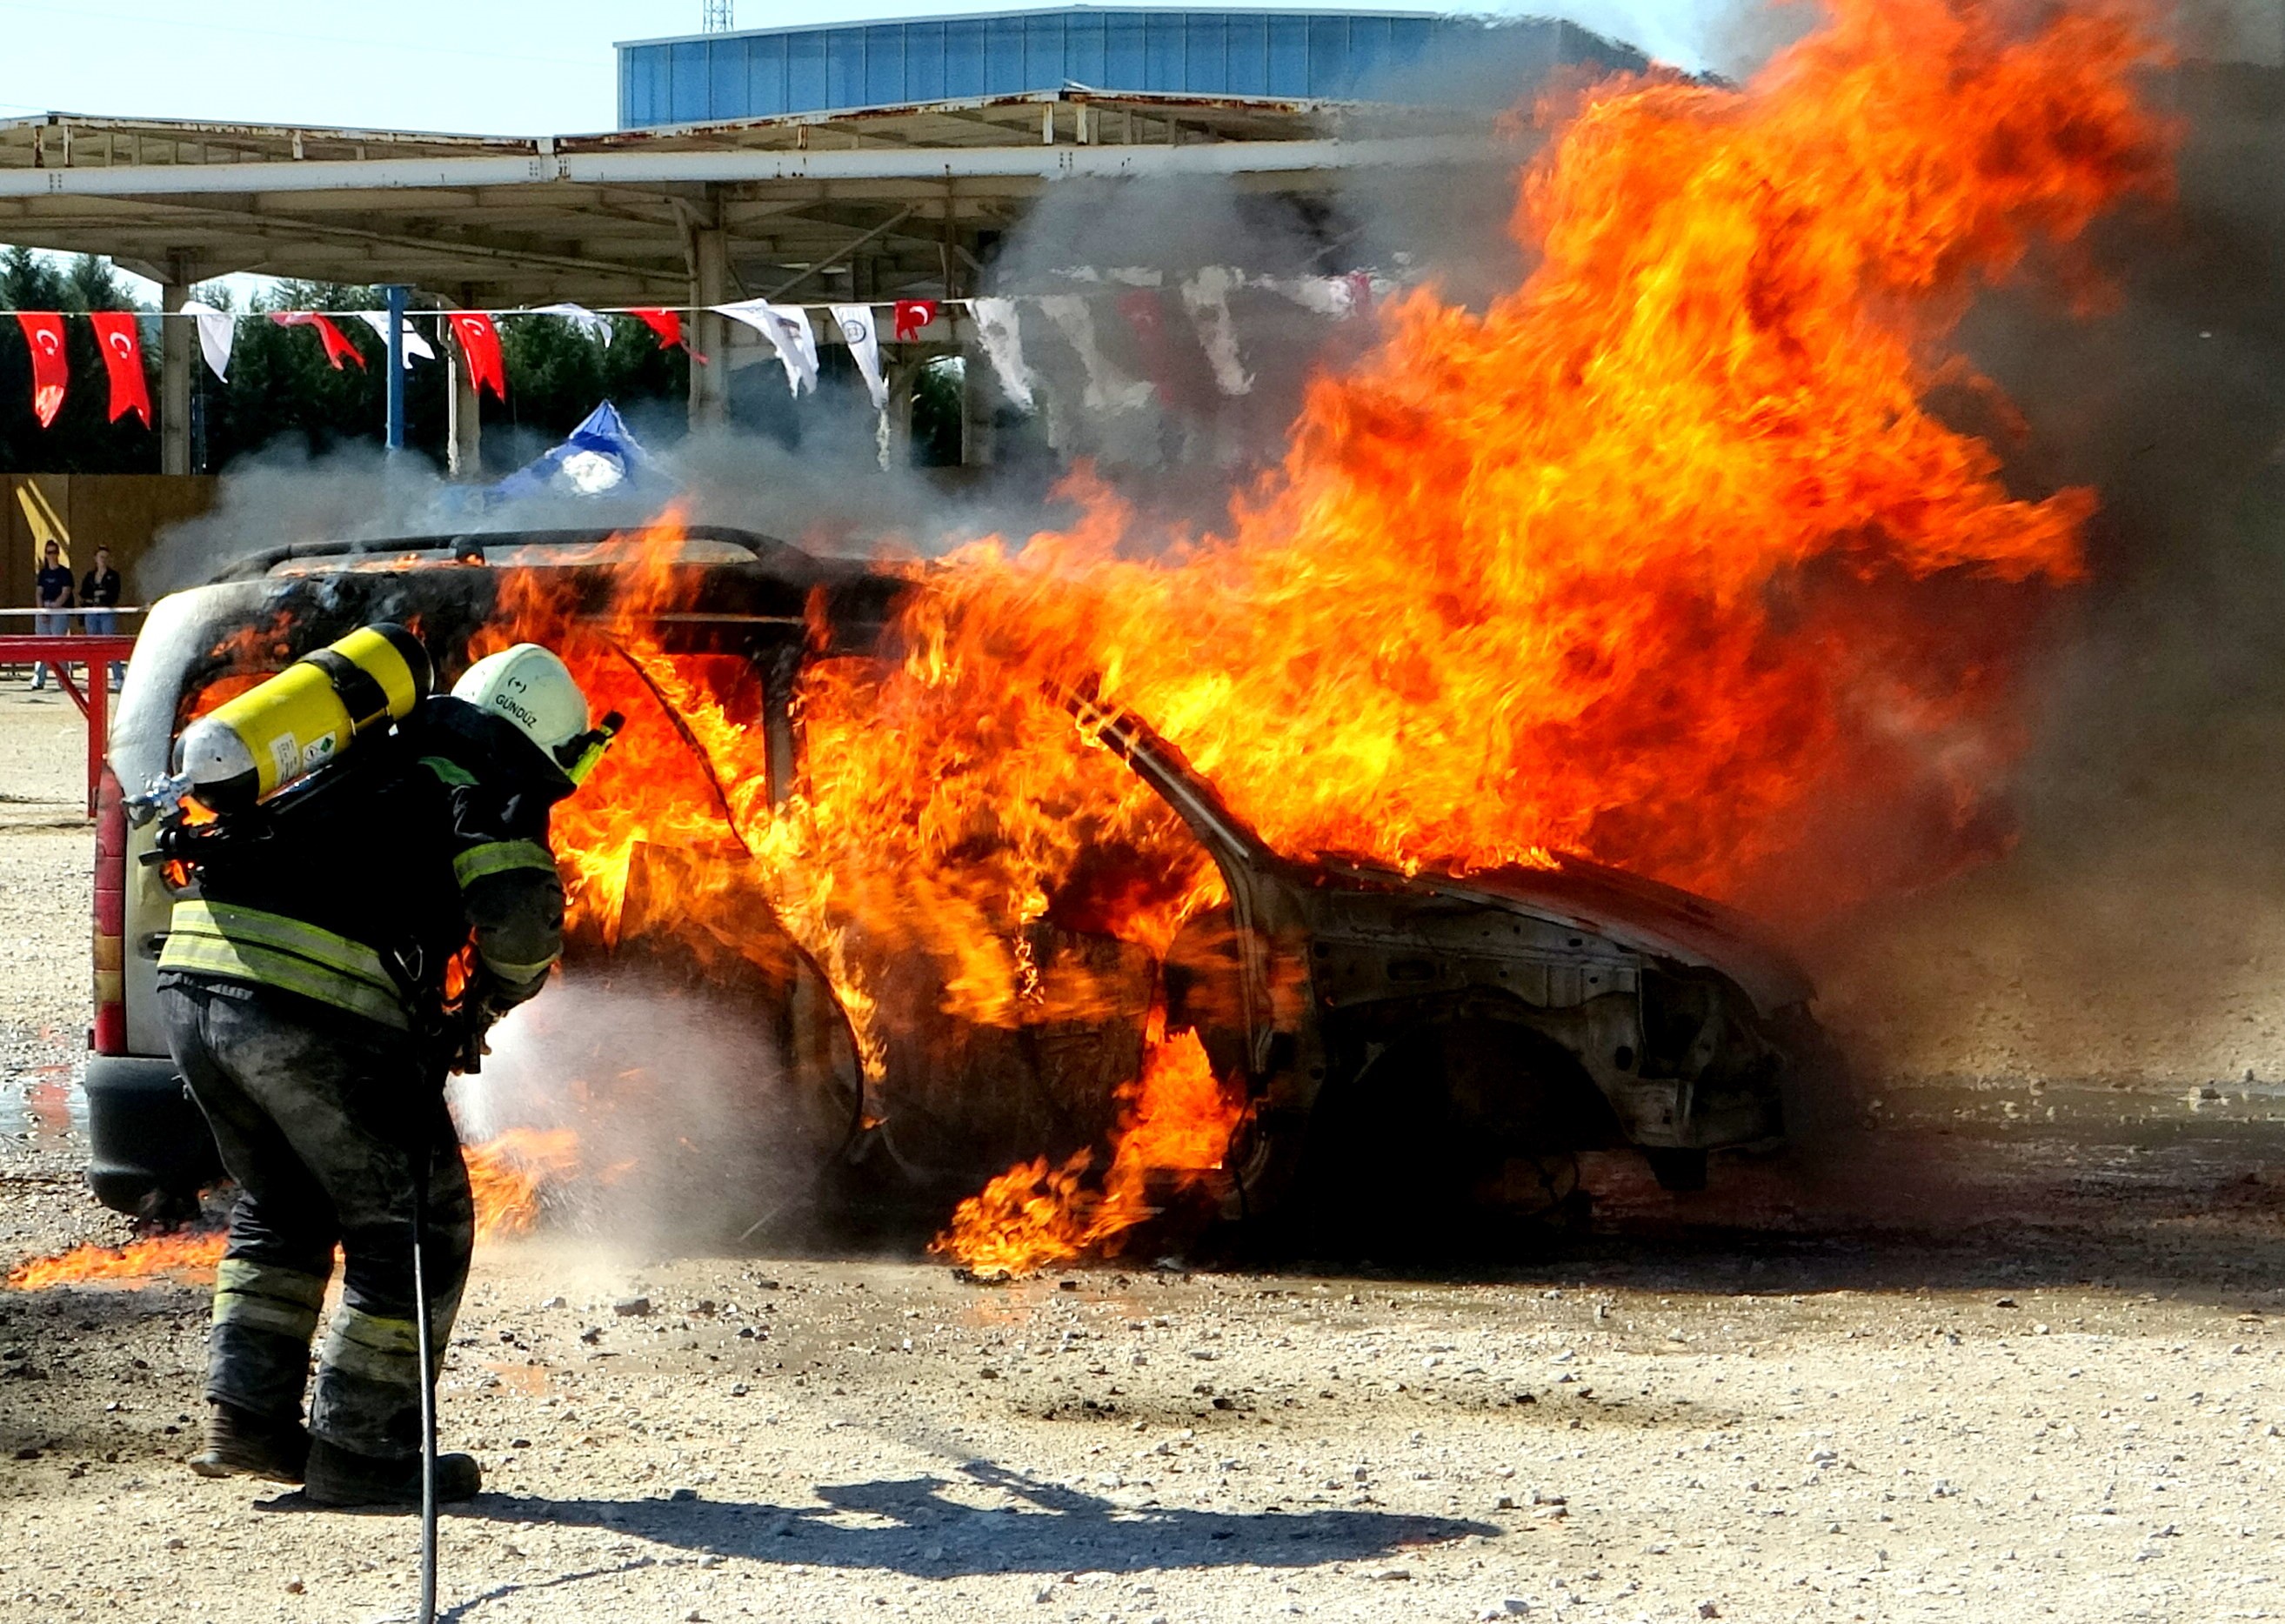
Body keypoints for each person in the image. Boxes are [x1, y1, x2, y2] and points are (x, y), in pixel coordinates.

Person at [156, 641, 598, 1507]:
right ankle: (364, 1450)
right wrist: (483, 1009)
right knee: (417, 1228)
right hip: (308, 1010)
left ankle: (247, 1419)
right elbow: (516, 918)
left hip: (195, 987)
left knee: (282, 1204)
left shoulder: (374, 744)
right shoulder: (491, 767)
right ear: (547, 737)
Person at [77, 545, 124, 690]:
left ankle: (118, 677)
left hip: (106, 612)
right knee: (93, 645)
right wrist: (95, 597)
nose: (103, 560)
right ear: (95, 559)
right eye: (100, 557)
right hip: (91, 613)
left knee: (110, 643)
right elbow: (84, 594)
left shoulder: (113, 576)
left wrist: (101, 596)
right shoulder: (89, 576)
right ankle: (96, 679)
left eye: (105, 557)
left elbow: (113, 595)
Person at [30, 539, 71, 691]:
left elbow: (66, 591)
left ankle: (63, 680)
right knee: (41, 645)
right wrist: (42, 610)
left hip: (59, 611)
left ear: (58, 554)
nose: (51, 555)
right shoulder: (43, 573)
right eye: (48, 552)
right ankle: (39, 678)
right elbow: (39, 592)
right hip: (44, 609)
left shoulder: (65, 572)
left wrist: (55, 606)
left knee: (58, 645)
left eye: (54, 552)